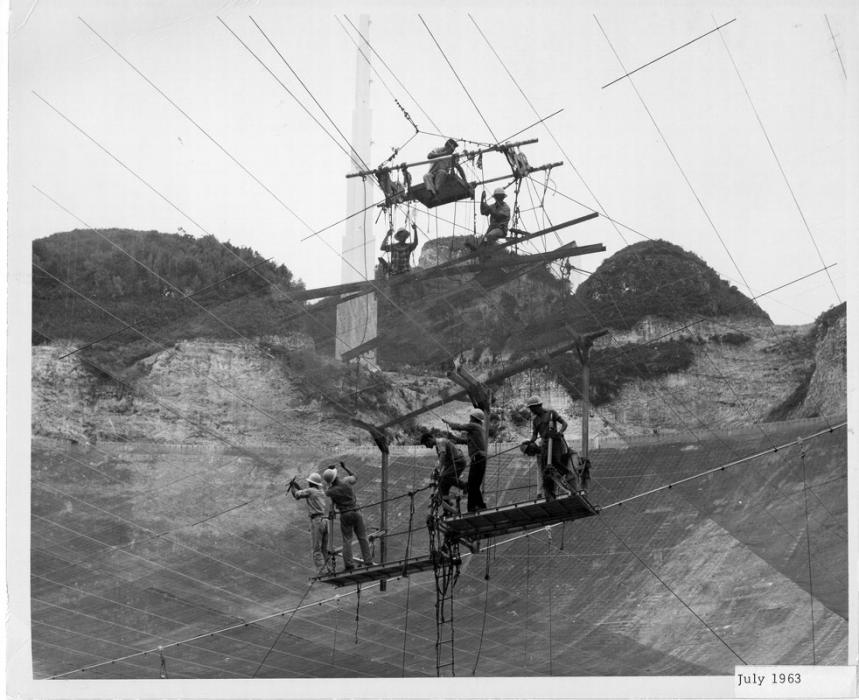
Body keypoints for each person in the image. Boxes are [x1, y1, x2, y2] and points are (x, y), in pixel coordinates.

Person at [323, 463, 374, 571]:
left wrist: (329, 483)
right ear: (336, 475)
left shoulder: (331, 491)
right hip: (356, 511)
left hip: (345, 514)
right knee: (363, 537)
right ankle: (368, 561)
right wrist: (345, 467)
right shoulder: (346, 481)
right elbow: (355, 476)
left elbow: (326, 492)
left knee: (347, 540)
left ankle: (349, 565)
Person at [525, 395, 577, 499]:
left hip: (555, 443)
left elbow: (564, 424)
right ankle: (549, 493)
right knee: (545, 469)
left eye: (532, 408)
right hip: (545, 445)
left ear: (537, 406)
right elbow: (535, 435)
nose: (531, 410)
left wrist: (560, 433)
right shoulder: (535, 421)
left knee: (555, 462)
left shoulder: (551, 414)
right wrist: (529, 442)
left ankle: (569, 477)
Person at [443, 408, 488, 512]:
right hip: (481, 458)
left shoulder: (474, 426)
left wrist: (448, 422)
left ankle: (472, 507)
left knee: (472, 485)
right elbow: (466, 441)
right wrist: (454, 438)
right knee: (475, 485)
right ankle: (480, 505)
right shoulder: (478, 428)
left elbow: (459, 426)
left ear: (473, 418)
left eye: (470, 417)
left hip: (477, 458)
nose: (469, 419)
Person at [288, 472, 330, 575]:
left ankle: (322, 571)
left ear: (311, 483)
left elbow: (297, 495)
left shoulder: (310, 491)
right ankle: (329, 569)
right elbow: (305, 492)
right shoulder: (321, 491)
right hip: (325, 521)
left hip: (316, 521)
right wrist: (297, 486)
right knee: (324, 548)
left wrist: (292, 486)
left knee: (316, 549)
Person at [420, 432, 467, 514]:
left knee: (445, 477)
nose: (427, 446)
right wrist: (436, 471)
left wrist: (438, 470)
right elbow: (443, 462)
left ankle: (465, 486)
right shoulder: (438, 447)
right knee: (442, 485)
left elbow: (442, 456)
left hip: (458, 461)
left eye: (426, 444)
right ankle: (447, 510)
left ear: (430, 439)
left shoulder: (440, 442)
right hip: (452, 464)